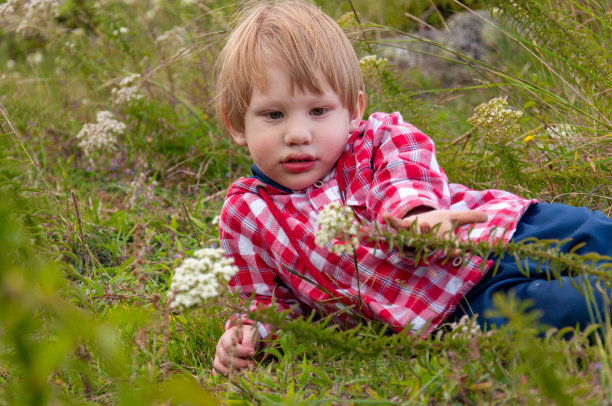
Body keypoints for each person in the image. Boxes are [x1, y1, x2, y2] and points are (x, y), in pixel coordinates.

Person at [211, 0, 612, 375]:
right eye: (273, 114)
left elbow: (404, 176)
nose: (298, 134)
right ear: (235, 124)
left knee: (597, 235)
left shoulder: (376, 139)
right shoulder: (247, 214)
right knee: (574, 309)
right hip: (454, 310)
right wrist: (248, 334)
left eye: (318, 111)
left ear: (354, 110)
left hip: (501, 231)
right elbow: (267, 304)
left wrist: (416, 217)